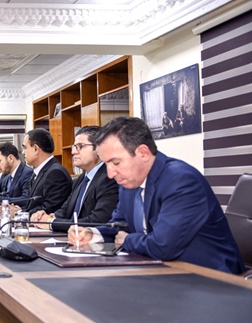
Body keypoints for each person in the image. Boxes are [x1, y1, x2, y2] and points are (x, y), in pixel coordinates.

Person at [68, 117, 244, 275]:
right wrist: (93, 233)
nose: (110, 173)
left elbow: (162, 246)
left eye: (116, 162)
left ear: (143, 153)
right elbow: (118, 226)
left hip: (210, 278)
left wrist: (127, 240)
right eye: (107, 164)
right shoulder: (129, 183)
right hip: (161, 272)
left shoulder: (181, 181)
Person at [31, 126, 119, 232]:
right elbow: (65, 209)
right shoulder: (82, 178)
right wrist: (48, 217)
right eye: (74, 147)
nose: (73, 152)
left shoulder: (109, 177)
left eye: (80, 146)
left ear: (99, 148)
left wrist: (51, 223)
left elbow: (98, 220)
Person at [19, 128, 72, 215]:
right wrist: (18, 210)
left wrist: (20, 214)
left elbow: (49, 208)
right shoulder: (39, 172)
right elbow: (32, 205)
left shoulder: (56, 173)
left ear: (36, 149)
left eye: (25, 148)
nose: (23, 152)